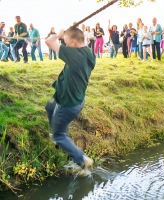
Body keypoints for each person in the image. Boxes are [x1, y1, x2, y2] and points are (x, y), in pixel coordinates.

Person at [45, 27, 95, 175]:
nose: (64, 45)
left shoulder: (75, 55)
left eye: (66, 43)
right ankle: (56, 134)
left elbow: (49, 41)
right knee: (49, 106)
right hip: (73, 97)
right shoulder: (88, 52)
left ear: (73, 43)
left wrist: (58, 35)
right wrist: (65, 35)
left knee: (59, 135)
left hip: (68, 104)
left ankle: (83, 160)